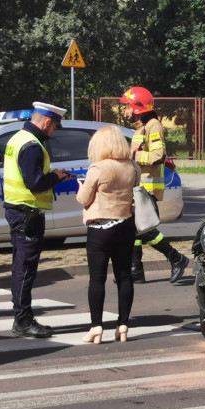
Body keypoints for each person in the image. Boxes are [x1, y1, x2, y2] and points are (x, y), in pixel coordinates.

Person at [3, 101, 74, 338]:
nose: (54, 131)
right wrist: (54, 177)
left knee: (21, 266)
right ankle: (23, 321)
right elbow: (35, 183)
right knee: (25, 269)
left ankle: (22, 318)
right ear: (45, 122)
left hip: (19, 211)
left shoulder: (18, 139)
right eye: (54, 126)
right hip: (27, 213)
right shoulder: (32, 146)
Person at [76, 125, 140, 344]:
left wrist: (81, 186)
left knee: (97, 278)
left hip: (100, 228)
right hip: (126, 225)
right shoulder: (133, 166)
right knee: (124, 276)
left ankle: (96, 327)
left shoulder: (98, 168)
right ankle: (123, 324)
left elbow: (84, 199)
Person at [121, 86, 189, 284]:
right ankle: (136, 271)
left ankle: (177, 258)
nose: (125, 111)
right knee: (135, 229)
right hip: (138, 186)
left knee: (144, 228)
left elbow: (158, 156)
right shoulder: (140, 128)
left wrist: (131, 155)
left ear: (137, 108)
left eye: (127, 107)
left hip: (148, 187)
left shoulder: (153, 126)